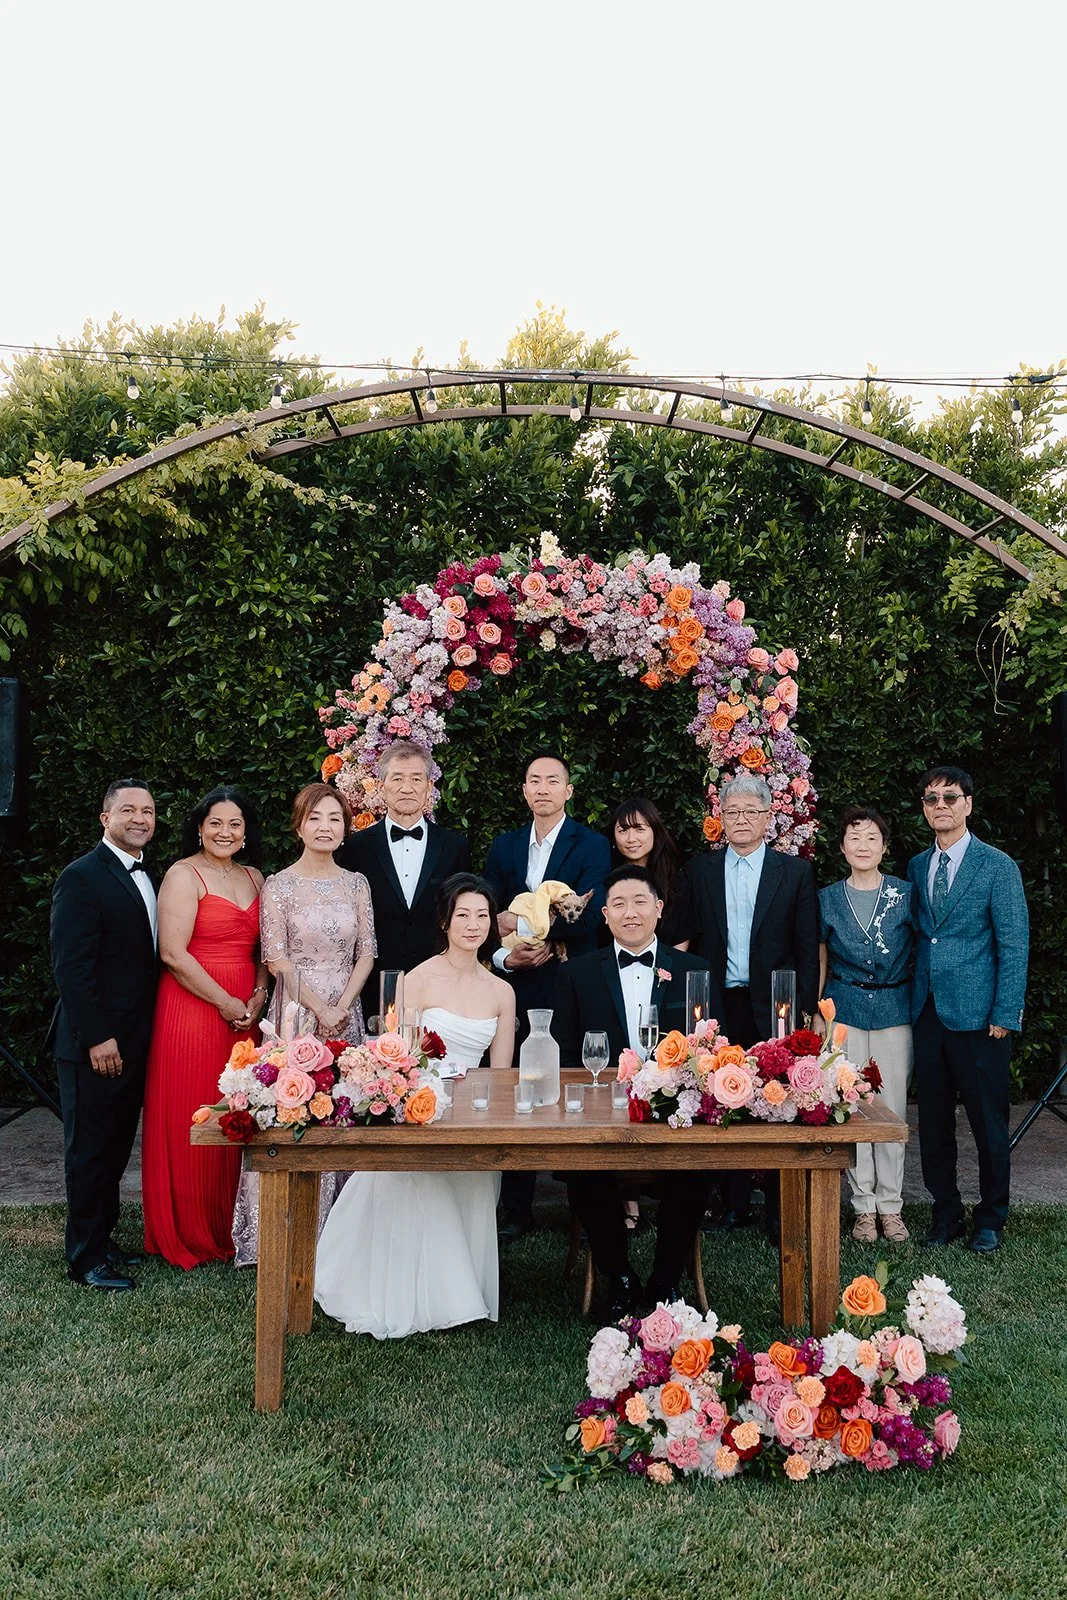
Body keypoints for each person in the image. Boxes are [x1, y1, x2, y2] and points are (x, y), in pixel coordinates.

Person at [314, 873, 515, 1338]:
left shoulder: (501, 991)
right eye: (462, 915)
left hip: (474, 1113)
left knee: (477, 1172)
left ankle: (462, 1287)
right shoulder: (417, 980)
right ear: (444, 921)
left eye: (482, 915)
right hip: (421, 1108)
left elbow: (500, 1075)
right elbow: (397, 1059)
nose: (473, 925)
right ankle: (422, 1294)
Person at [554, 865, 720, 1315]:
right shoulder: (577, 974)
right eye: (619, 904)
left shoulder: (695, 971)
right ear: (605, 914)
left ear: (659, 909)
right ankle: (620, 1278)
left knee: (693, 1170)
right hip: (601, 1117)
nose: (630, 913)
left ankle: (666, 1281)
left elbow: (713, 1049)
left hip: (676, 1118)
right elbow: (566, 1058)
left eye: (640, 902)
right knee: (586, 1171)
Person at [231, 783, 376, 1266]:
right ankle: (285, 1231)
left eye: (335, 818)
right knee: (295, 1109)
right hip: (296, 1011)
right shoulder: (279, 885)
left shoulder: (357, 883)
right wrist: (319, 1008)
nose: (325, 827)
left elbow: (367, 952)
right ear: (298, 826)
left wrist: (342, 1007)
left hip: (346, 1010)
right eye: (315, 818)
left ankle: (342, 1237)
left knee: (345, 1110)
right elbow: (276, 958)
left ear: (345, 829)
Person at [483, 751, 611, 1240]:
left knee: (572, 1080)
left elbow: (589, 914)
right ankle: (517, 1207)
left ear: (568, 790)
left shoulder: (592, 845)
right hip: (515, 982)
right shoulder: (505, 846)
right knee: (516, 1083)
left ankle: (585, 1206)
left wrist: (529, 928)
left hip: (569, 980)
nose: (542, 788)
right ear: (524, 790)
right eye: (534, 780)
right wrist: (506, 953)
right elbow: (487, 914)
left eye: (552, 780)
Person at [687, 772, 819, 1237]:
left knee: (780, 1098)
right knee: (723, 1096)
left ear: (768, 817)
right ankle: (734, 1203)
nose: (741, 819)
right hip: (719, 1004)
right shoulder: (700, 871)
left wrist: (806, 1010)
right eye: (732, 811)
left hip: (775, 1005)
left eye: (750, 811)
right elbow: (693, 940)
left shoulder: (795, 872)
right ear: (720, 817)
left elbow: (806, 948)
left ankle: (781, 1208)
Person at [141, 786, 267, 1269]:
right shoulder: (182, 874)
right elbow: (173, 954)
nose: (225, 832)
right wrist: (225, 1001)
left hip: (245, 1012)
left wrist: (258, 994)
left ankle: (234, 1224)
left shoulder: (256, 877)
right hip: (193, 1008)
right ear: (199, 828)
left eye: (235, 824)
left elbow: (264, 950)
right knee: (193, 1109)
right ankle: (190, 1228)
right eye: (215, 823)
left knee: (240, 1109)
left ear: (246, 832)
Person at [908, 765, 1028, 1255]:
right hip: (927, 1014)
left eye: (950, 797)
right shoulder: (916, 865)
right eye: (931, 799)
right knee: (934, 1124)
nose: (941, 806)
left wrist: (1005, 1012)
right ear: (924, 808)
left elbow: (1013, 944)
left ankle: (990, 1218)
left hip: (981, 1018)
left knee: (987, 1123)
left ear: (968, 804)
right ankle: (946, 1214)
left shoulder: (997, 866)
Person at [49, 779, 160, 1290]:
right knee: (89, 1152)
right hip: (94, 1044)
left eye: (148, 811)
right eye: (128, 810)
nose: (139, 819)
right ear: (105, 818)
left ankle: (103, 1238)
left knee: (114, 1148)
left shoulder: (147, 874)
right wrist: (97, 1037)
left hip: (134, 1038)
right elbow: (71, 968)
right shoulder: (81, 877)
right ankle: (85, 1258)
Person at [818, 806, 916, 1244]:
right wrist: (818, 1012)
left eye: (872, 837)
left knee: (891, 1108)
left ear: (884, 847)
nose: (863, 845)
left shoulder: (905, 894)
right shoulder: (827, 898)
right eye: (854, 837)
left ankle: (891, 1206)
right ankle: (863, 1207)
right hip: (845, 1011)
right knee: (852, 1106)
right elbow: (820, 956)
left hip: (895, 1008)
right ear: (842, 847)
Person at [336, 740, 470, 1018]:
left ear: (429, 787)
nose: (406, 787)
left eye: (416, 779)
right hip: (372, 987)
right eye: (397, 778)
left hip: (440, 987)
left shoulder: (454, 847)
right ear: (381, 786)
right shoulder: (355, 848)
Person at [603, 795, 696, 949]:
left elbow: (681, 943)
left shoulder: (676, 885)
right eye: (623, 830)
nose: (631, 838)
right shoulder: (604, 880)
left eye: (639, 829)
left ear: (655, 831)